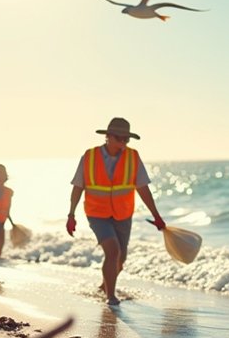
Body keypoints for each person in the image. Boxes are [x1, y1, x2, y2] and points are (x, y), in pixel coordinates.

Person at [67, 117, 166, 305]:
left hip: (123, 214)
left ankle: (105, 285)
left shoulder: (133, 157)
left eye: (126, 139)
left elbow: (143, 188)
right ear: (108, 137)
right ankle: (111, 296)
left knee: (121, 258)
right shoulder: (89, 156)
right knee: (113, 251)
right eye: (119, 138)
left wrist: (157, 216)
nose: (123, 143)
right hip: (97, 213)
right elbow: (78, 186)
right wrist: (71, 215)